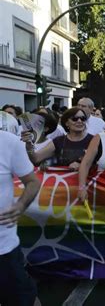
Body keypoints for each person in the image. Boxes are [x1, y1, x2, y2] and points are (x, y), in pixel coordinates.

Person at [0, 130, 41, 306]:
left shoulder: (8, 142)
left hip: (3, 248)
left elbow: (32, 182)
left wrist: (21, 205)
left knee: (25, 301)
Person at [22, 108, 93, 171]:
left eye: (83, 118)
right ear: (66, 123)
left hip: (88, 183)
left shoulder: (94, 140)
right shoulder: (58, 141)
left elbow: (101, 163)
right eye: (74, 119)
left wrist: (83, 165)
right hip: (64, 184)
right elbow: (36, 159)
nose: (79, 121)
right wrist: (29, 145)